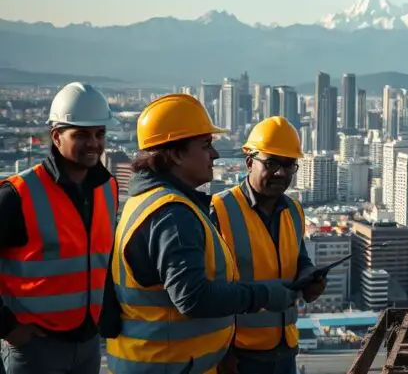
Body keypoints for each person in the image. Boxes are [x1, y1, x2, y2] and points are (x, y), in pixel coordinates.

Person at [100, 94, 300, 373]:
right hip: (168, 364)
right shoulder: (172, 213)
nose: (214, 154)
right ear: (176, 153)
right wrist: (262, 295)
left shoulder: (147, 201)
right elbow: (192, 296)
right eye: (206, 145)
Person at [0, 82, 118, 374]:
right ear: (56, 136)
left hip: (89, 345)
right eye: (81, 134)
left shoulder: (108, 188)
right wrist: (7, 327)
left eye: (99, 134)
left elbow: (103, 260)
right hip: (35, 349)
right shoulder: (18, 194)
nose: (94, 143)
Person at [211, 116, 325, 374]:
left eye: (288, 165)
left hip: (285, 349)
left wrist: (309, 277)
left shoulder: (294, 210)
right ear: (249, 162)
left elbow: (299, 258)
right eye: (272, 163)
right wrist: (223, 352)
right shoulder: (219, 210)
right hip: (239, 355)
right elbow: (208, 289)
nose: (281, 173)